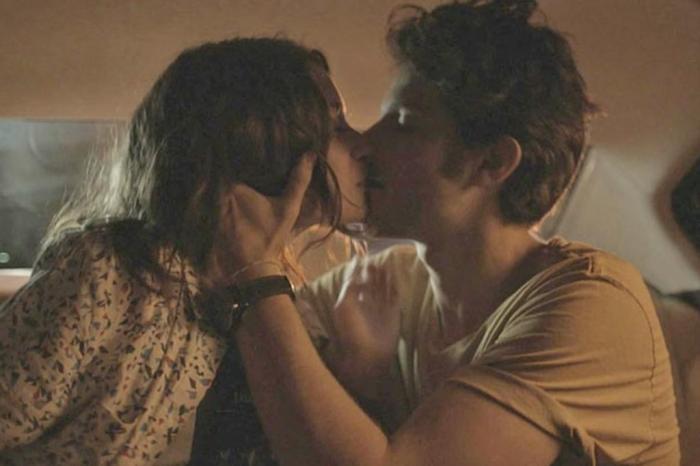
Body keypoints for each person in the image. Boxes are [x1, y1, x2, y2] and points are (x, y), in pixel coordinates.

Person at [214, 1, 681, 465]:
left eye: (404, 124)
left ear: (492, 162)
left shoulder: (593, 304)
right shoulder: (387, 280)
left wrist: (257, 273)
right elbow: (245, 346)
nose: (366, 142)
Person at [0, 37, 366, 465]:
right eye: (338, 127)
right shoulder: (114, 272)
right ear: (264, 143)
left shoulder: (288, 285)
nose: (364, 144)